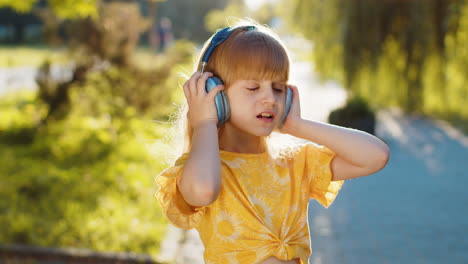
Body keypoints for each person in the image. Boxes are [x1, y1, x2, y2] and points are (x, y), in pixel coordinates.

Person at [155, 19, 390, 264]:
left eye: (278, 88)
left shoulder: (294, 163)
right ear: (215, 96)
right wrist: (205, 123)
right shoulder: (204, 168)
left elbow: (376, 156)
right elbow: (203, 190)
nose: (269, 98)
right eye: (253, 87)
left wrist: (298, 126)